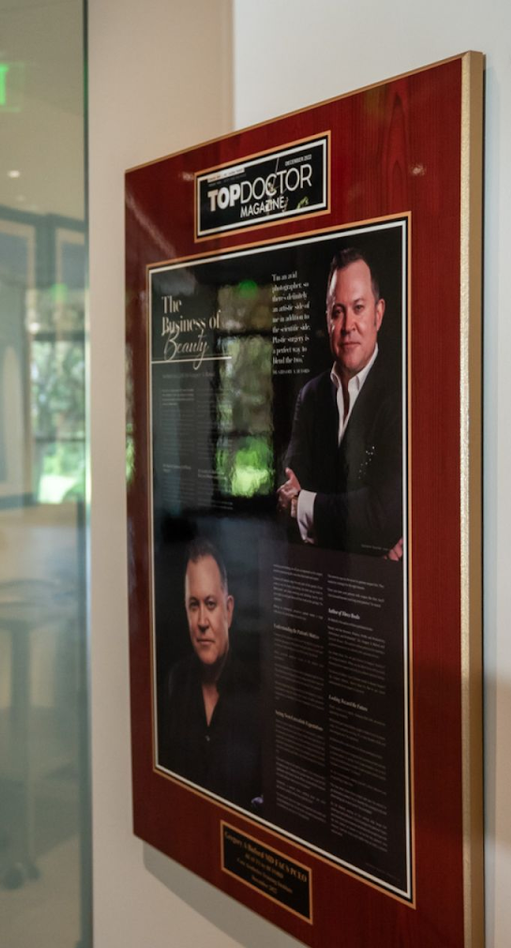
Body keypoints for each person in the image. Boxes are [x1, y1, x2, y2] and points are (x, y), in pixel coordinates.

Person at [276, 247, 404, 558]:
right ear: (327, 319)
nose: (348, 326)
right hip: (317, 572)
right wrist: (357, 516)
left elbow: (382, 515)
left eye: (358, 308)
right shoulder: (310, 397)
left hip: (373, 581)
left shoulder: (401, 393)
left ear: (378, 314)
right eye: (338, 311)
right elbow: (285, 501)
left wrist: (305, 506)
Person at [157, 539, 260, 807]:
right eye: (194, 605)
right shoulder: (174, 683)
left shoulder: (257, 695)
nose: (202, 621)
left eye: (211, 604)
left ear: (229, 610)